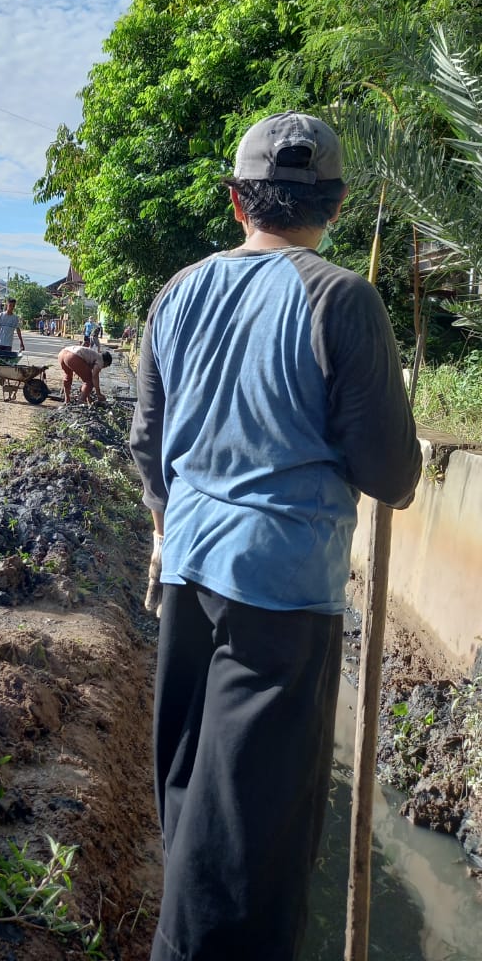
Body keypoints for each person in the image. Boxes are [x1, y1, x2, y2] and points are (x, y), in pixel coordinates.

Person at [129, 112, 422, 961]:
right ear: (332, 202)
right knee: (249, 853)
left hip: (186, 578)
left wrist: (166, 527)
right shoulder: (343, 298)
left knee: (189, 803)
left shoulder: (177, 293)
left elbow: (150, 444)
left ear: (235, 203)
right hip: (284, 602)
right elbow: (390, 476)